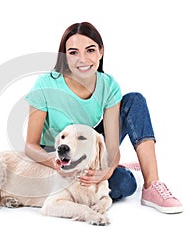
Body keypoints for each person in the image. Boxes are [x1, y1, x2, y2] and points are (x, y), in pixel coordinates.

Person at [25, 22, 183, 214]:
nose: (82, 59)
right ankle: (120, 169)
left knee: (135, 100)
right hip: (58, 155)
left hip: (89, 146)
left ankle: (151, 185)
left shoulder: (108, 85)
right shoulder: (45, 85)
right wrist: (54, 162)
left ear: (100, 51)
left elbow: (111, 146)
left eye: (90, 50)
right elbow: (31, 146)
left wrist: (106, 170)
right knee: (124, 183)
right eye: (73, 52)